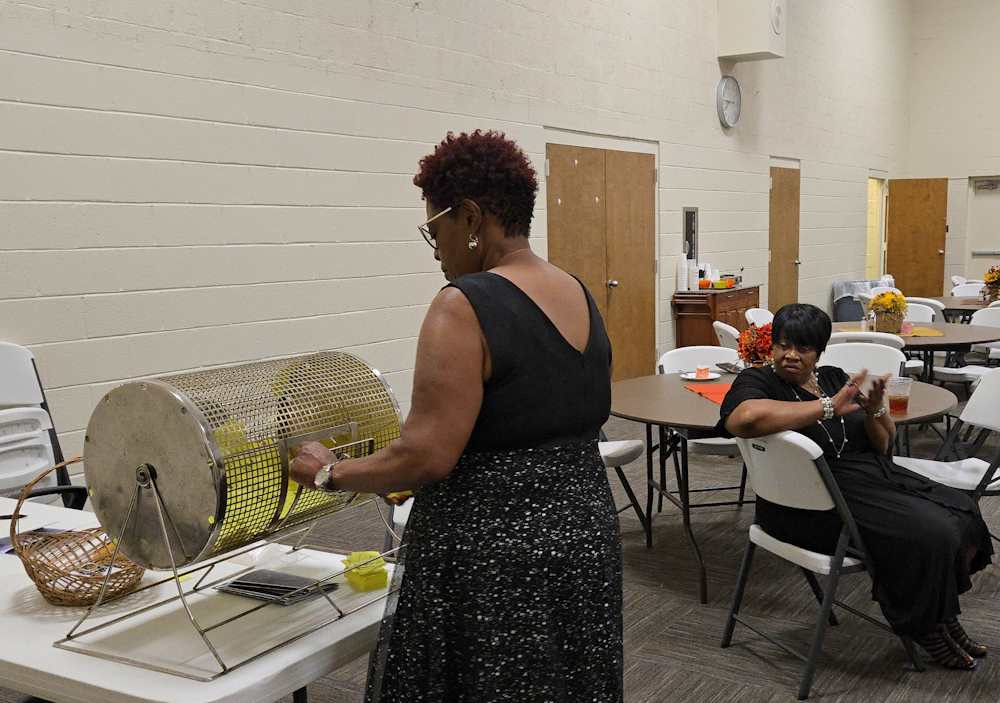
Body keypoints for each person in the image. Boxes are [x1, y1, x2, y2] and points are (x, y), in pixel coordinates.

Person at [290, 130, 622, 701]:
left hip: (494, 558)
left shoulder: (464, 303)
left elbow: (426, 455)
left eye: (436, 228)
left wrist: (329, 471)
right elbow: (531, 420)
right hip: (582, 537)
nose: (437, 247)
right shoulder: (576, 291)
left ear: (470, 218)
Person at [720, 303, 993, 670]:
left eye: (803, 348)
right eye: (783, 345)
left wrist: (876, 409)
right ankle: (924, 624)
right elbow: (745, 418)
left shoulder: (833, 377)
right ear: (772, 346)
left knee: (962, 510)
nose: (790, 355)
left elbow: (883, 445)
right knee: (934, 530)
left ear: (819, 352)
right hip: (808, 501)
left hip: (865, 475)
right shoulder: (759, 382)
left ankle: (942, 616)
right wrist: (829, 408)